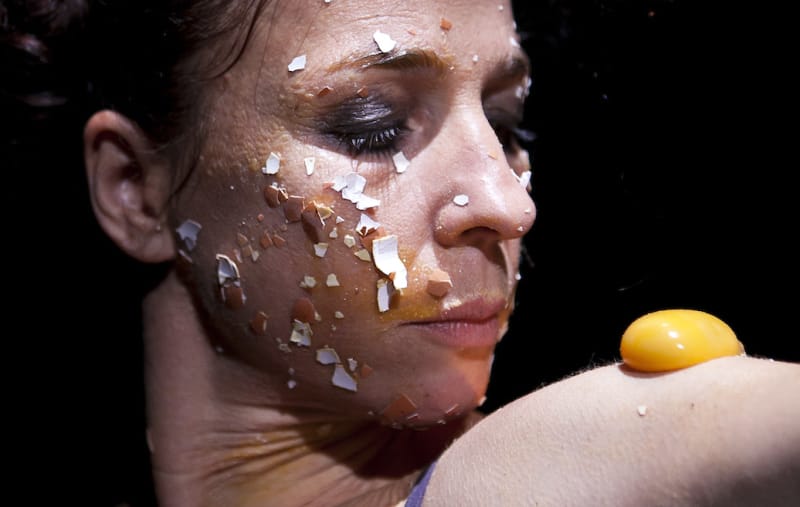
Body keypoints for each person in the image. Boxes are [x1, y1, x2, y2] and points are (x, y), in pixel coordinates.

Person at [4, 1, 799, 506]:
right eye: (372, 127)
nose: (509, 203)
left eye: (505, 124)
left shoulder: (530, 478)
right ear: (134, 188)